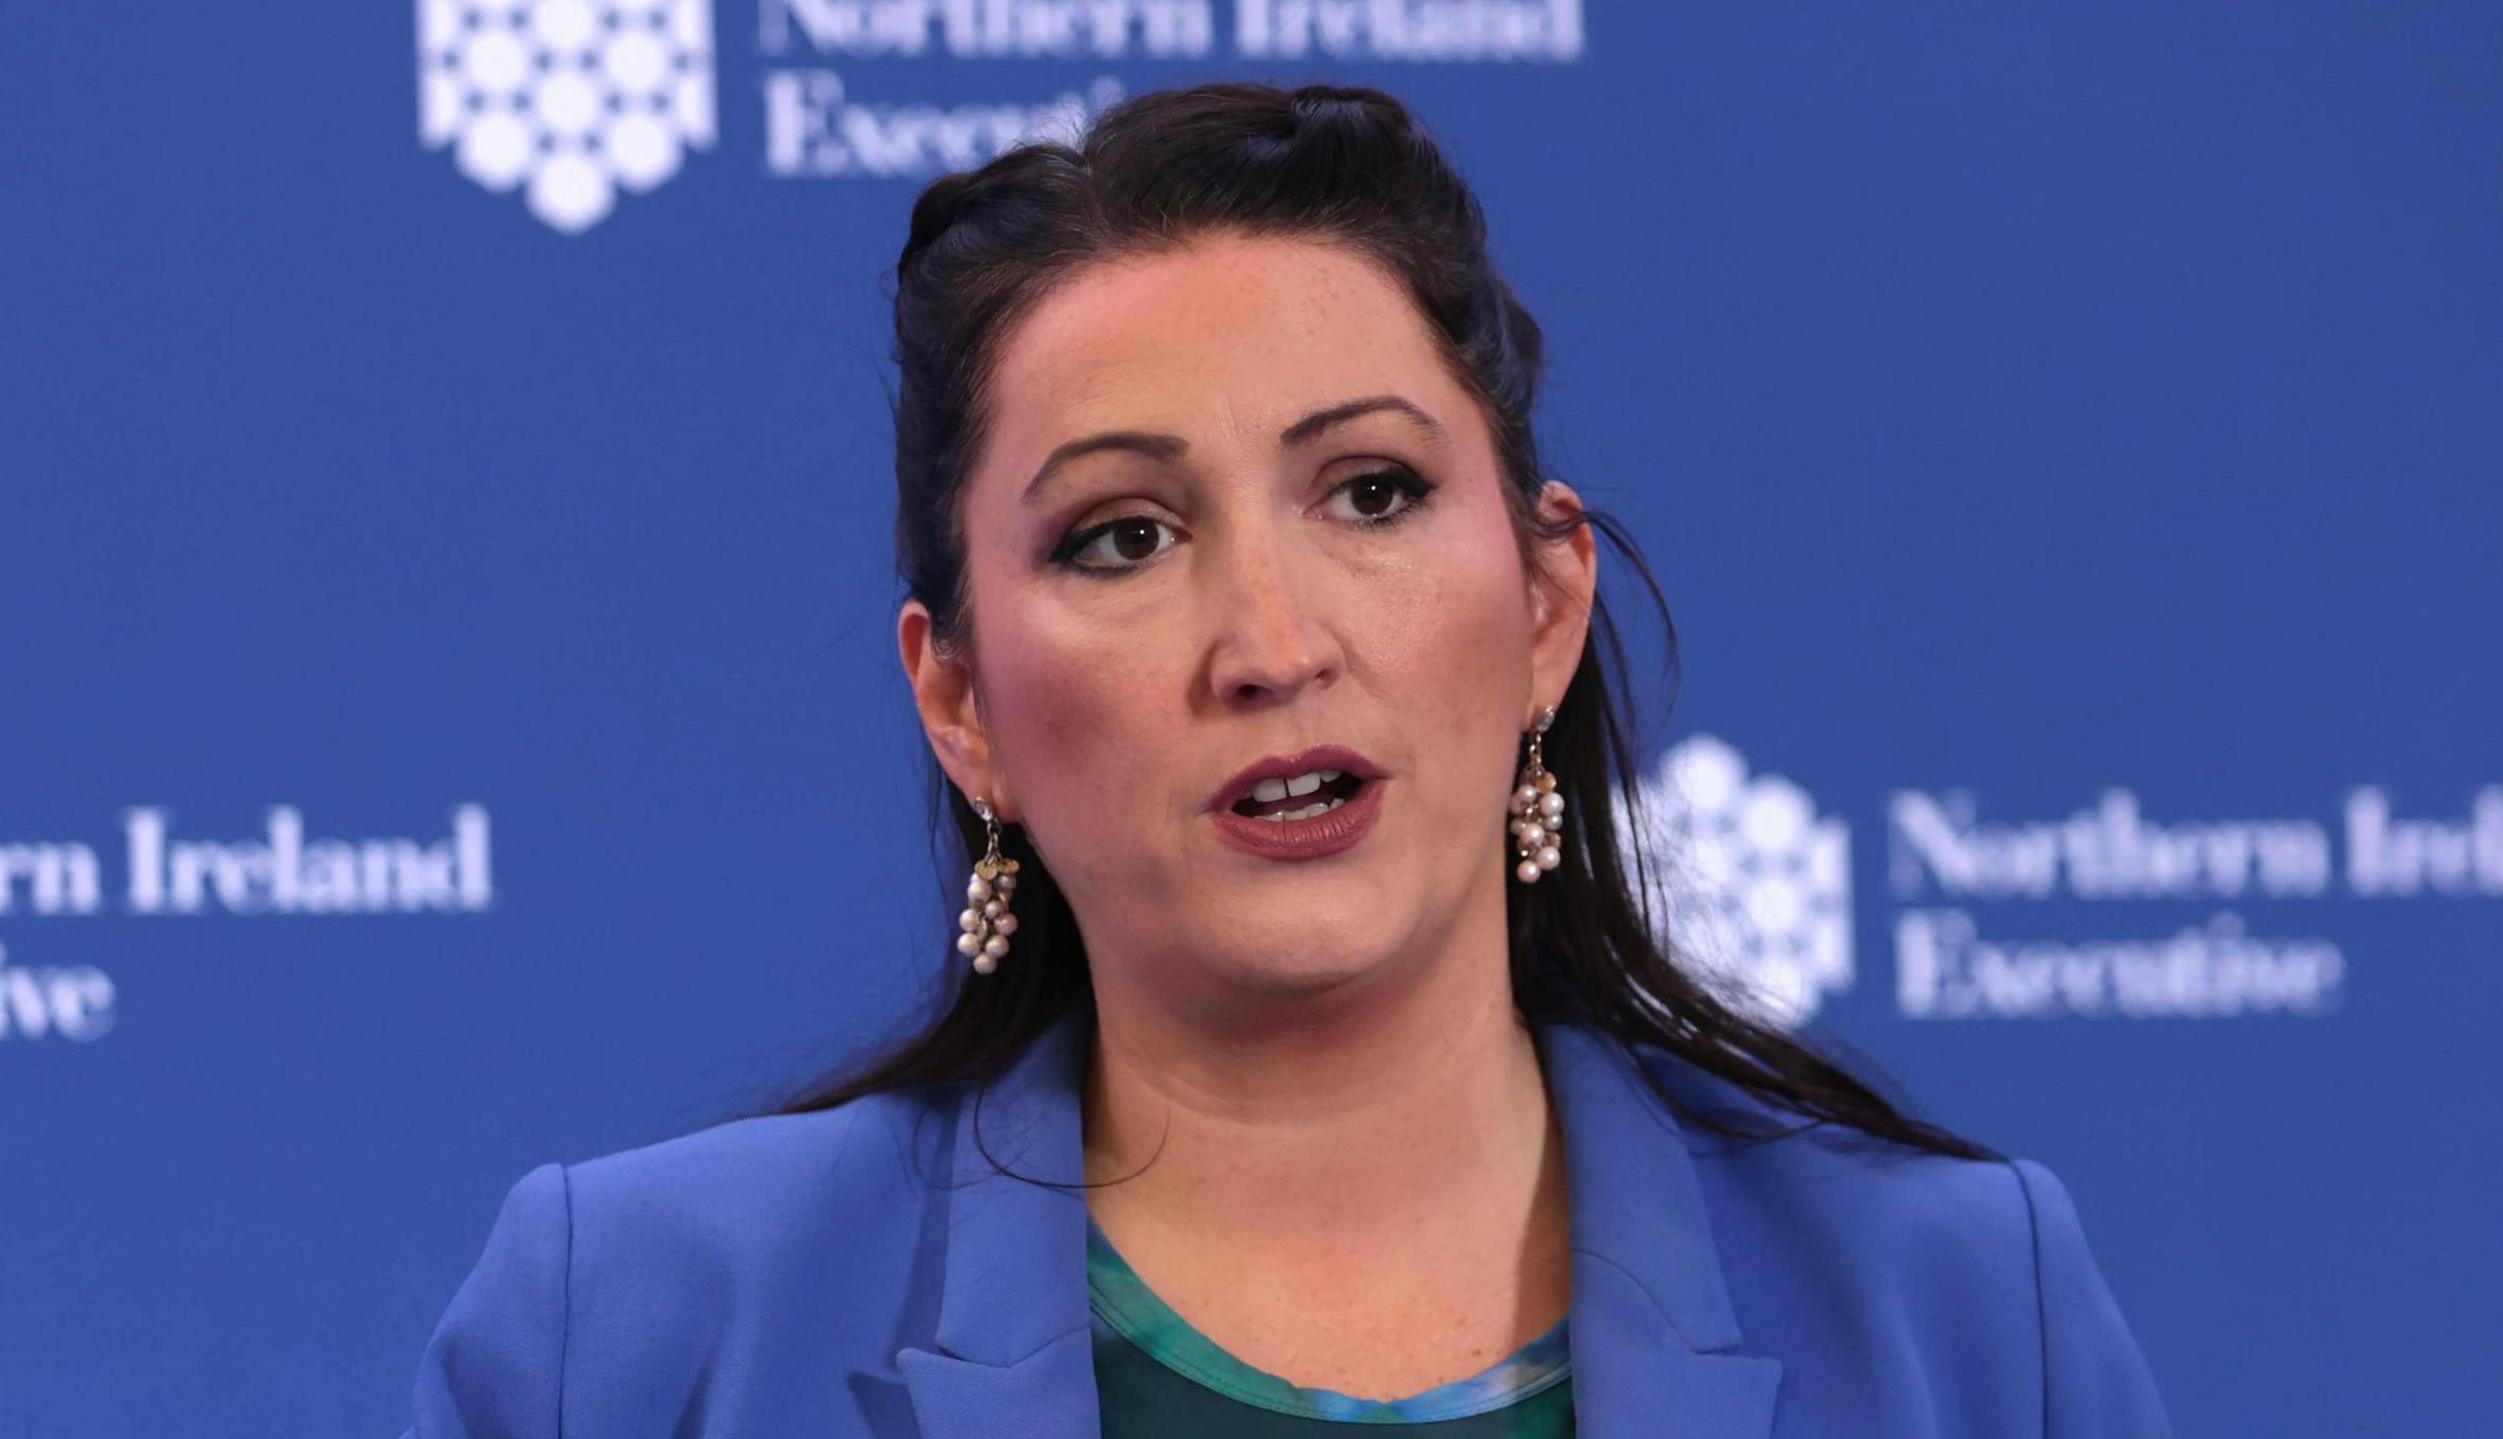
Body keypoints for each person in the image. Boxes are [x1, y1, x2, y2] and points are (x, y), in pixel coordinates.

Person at [404, 81, 2173, 1437]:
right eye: (1120, 537)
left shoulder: (1957, 1316)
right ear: (962, 708)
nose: (1271, 643)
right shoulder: (639, 1337)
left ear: (1547, 601)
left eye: (1374, 494)